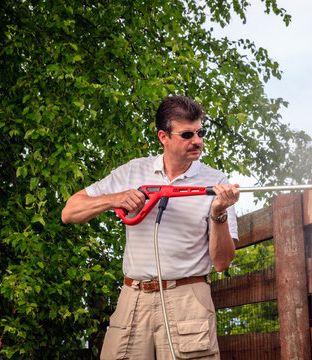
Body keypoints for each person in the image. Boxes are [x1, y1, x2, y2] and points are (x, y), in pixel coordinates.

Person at [61, 95, 240, 359]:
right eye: (187, 134)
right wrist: (115, 199)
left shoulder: (216, 182)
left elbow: (223, 262)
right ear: (163, 137)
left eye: (201, 132)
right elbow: (69, 211)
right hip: (133, 297)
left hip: (187, 296)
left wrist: (219, 213)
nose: (198, 141)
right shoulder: (133, 171)